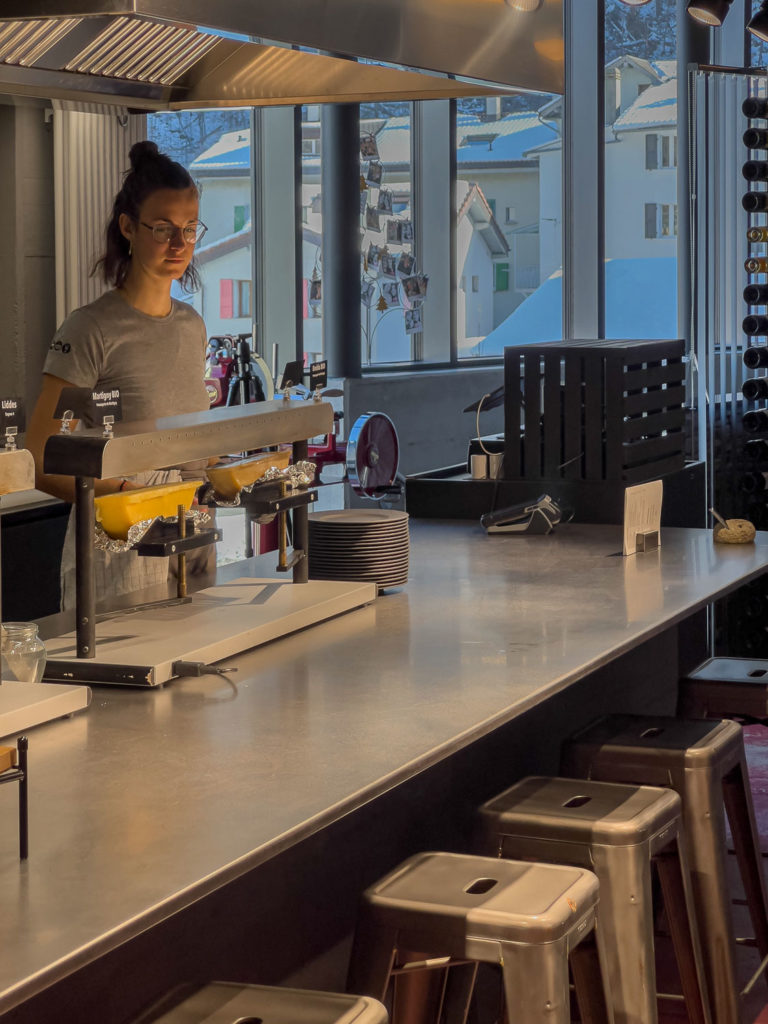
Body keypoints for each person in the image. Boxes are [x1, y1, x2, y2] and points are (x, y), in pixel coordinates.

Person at [26, 140, 213, 609]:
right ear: (128, 227)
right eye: (164, 228)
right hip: (119, 545)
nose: (179, 244)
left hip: (191, 530)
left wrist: (215, 473)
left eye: (190, 229)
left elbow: (189, 445)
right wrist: (127, 496)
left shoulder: (192, 327)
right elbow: (42, 454)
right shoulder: (91, 329)